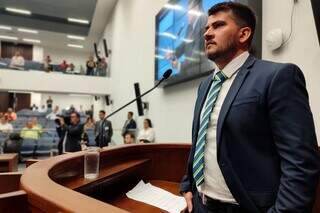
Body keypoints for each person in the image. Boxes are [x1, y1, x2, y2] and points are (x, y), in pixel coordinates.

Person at [180, 2, 320, 213]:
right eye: (206, 28)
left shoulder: (277, 77)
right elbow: (201, 141)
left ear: (243, 34)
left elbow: (300, 163)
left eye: (217, 26)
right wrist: (187, 185)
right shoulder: (205, 85)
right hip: (201, 204)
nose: (208, 34)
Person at [165, 0, 212, 75]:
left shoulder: (204, 23)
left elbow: (197, 55)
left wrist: (179, 65)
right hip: (189, 72)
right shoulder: (190, 28)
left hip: (201, 72)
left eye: (189, 11)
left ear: (196, 8)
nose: (187, 14)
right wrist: (173, 53)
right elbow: (184, 45)